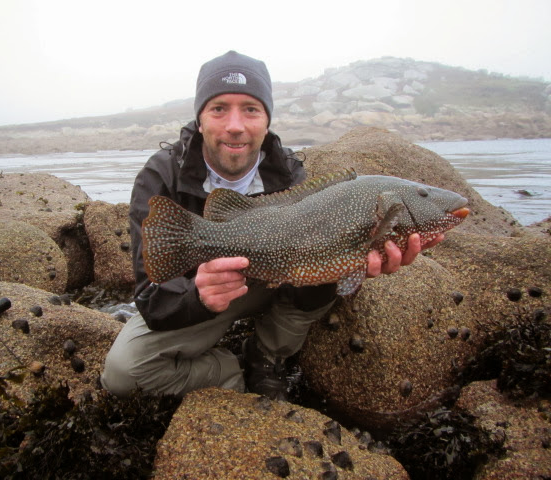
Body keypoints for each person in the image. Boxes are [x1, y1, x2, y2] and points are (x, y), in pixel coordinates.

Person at [101, 51, 442, 400]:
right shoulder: (160, 176)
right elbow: (151, 297)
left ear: (267, 120)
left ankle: (266, 357)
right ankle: (226, 370)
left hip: (271, 283)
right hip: (201, 292)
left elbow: (308, 281)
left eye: (251, 109)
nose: (236, 125)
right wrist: (198, 297)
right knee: (123, 373)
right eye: (219, 108)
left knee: (323, 285)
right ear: (199, 119)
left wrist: (348, 266)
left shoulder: (289, 173)